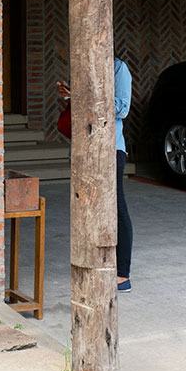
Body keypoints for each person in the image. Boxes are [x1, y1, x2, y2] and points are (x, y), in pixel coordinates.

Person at [56, 54, 133, 292]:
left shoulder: (118, 68)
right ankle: (93, 264)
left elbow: (122, 108)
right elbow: (80, 107)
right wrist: (68, 95)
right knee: (86, 207)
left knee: (116, 208)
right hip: (82, 148)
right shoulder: (81, 66)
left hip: (110, 148)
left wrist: (83, 96)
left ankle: (123, 274)